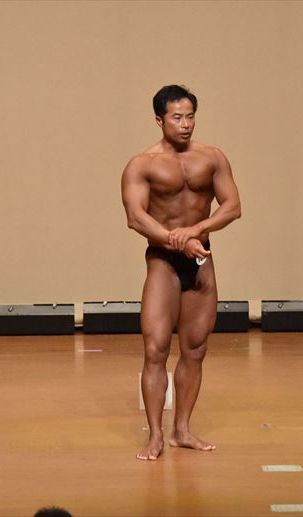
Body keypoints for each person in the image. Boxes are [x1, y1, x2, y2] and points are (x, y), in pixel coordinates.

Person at [121, 85, 241, 461]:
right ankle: (156, 435)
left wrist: (195, 231)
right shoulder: (142, 164)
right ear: (159, 120)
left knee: (195, 348)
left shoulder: (212, 158)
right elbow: (136, 217)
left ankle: (182, 430)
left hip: (200, 257)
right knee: (155, 348)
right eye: (176, 117)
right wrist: (177, 241)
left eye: (190, 116)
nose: (185, 124)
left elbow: (232, 206)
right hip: (163, 260)